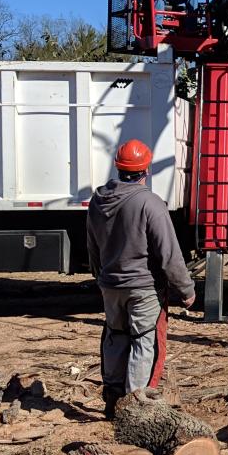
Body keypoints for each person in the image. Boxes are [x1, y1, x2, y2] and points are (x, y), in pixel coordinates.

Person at [87, 139, 195, 418]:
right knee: (144, 341)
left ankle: (112, 399)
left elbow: (93, 246)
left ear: (117, 167)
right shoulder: (150, 203)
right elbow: (169, 252)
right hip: (143, 288)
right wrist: (186, 289)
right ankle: (134, 407)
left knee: (115, 337)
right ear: (146, 170)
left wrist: (102, 278)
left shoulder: (98, 201)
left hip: (111, 286)